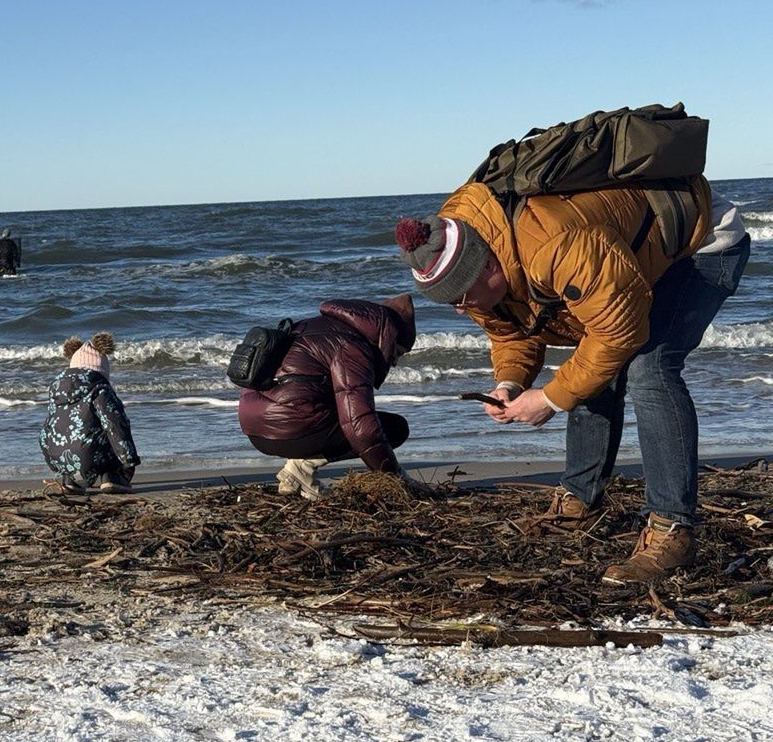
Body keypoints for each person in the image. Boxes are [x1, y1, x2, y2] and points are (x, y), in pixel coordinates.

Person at [395, 175, 749, 583]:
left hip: (701, 238)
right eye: (450, 301)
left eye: (462, 298)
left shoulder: (556, 246)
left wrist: (550, 399)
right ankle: (580, 500)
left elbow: (618, 333)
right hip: (626, 255)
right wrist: (509, 382)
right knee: (592, 365)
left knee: (650, 368)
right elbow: (510, 329)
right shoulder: (464, 259)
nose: (459, 310)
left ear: (489, 264)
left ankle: (673, 530)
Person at [237, 296, 417, 500]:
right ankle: (301, 467)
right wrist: (396, 477)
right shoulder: (351, 344)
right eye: (398, 351)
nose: (394, 362)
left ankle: (299, 468)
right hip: (288, 433)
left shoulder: (313, 325)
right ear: (389, 336)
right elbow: (360, 426)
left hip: (254, 429)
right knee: (393, 428)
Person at [39, 332, 140, 493]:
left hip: (60, 460)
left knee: (62, 429)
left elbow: (46, 431)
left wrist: (55, 464)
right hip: (90, 456)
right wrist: (129, 461)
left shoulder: (56, 390)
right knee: (111, 424)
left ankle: (71, 479)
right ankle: (113, 476)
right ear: (101, 370)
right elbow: (115, 424)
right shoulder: (100, 388)